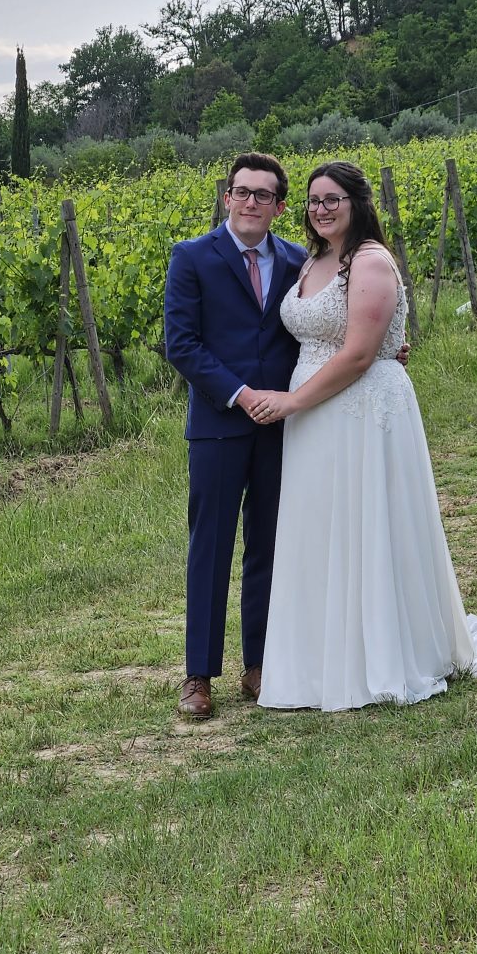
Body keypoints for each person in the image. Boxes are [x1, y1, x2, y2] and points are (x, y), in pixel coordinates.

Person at [250, 161, 477, 711]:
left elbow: (361, 353)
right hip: (315, 417)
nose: (321, 209)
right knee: (323, 527)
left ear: (357, 203)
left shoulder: (370, 261)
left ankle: (385, 654)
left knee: (370, 522)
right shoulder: (312, 260)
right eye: (314, 200)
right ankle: (323, 658)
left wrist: (292, 400)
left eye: (332, 198)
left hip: (361, 409)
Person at [163, 153, 308, 719]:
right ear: (226, 197)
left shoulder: (300, 261)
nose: (251, 202)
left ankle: (259, 664)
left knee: (269, 546)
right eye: (241, 192)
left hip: (282, 426)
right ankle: (198, 676)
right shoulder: (192, 257)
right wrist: (241, 395)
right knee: (211, 548)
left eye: (263, 195)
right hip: (220, 426)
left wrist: (384, 351)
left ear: (279, 206)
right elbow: (182, 344)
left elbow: (321, 329)